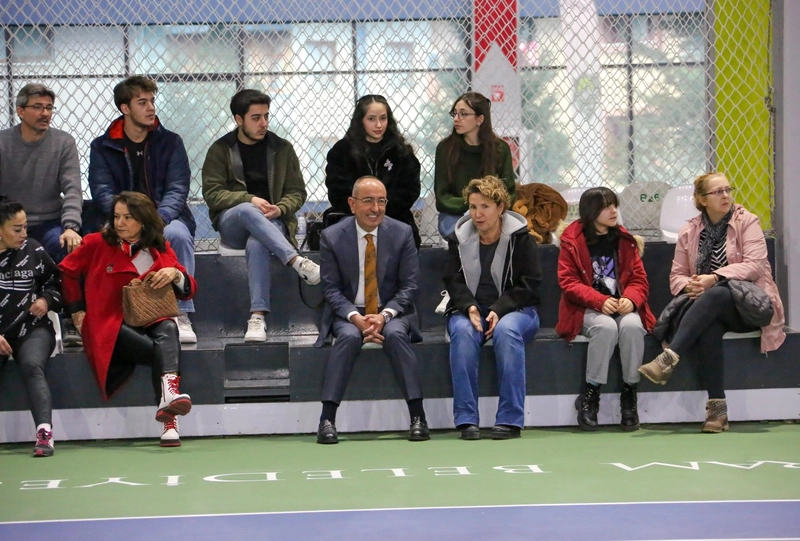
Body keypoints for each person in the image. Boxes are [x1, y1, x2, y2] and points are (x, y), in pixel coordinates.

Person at [638, 172, 785, 432]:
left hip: (749, 306)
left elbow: (754, 266)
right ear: (702, 199)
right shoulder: (689, 231)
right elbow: (676, 276)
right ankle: (718, 412)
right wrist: (691, 285)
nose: (726, 195)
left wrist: (713, 278)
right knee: (709, 326)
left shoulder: (747, 222)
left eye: (728, 190)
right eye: (718, 192)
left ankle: (669, 358)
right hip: (710, 309)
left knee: (717, 293)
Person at [59, 192, 197, 447]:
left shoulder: (159, 247)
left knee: (169, 327)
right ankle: (169, 419)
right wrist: (76, 310)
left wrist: (175, 275)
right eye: (116, 217)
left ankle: (169, 404)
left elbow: (188, 289)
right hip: (107, 323)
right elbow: (66, 273)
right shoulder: (96, 242)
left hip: (149, 317)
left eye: (127, 217)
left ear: (143, 221)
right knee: (163, 353)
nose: (119, 223)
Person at [314, 176, 428, 444]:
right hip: (349, 312)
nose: (376, 208)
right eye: (368, 201)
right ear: (352, 204)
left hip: (392, 311)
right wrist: (356, 318)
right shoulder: (331, 236)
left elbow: (410, 286)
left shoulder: (402, 233)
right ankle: (327, 420)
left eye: (381, 201)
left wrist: (383, 316)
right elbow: (330, 289)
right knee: (348, 337)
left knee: (396, 335)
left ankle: (418, 417)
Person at [202, 89, 320, 342]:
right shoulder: (221, 150)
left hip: (272, 222)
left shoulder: (282, 149)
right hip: (233, 223)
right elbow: (213, 194)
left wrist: (281, 208)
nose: (264, 123)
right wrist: (249, 199)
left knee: (258, 242)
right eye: (256, 118)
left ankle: (257, 317)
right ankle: (296, 261)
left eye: (266, 116)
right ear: (239, 119)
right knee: (247, 209)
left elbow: (297, 192)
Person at [88, 76, 197, 343]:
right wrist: (125, 219)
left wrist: (157, 219)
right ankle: (107, 314)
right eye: (142, 102)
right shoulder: (103, 146)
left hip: (164, 217)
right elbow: (102, 190)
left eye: (152, 101)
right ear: (125, 108)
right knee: (98, 240)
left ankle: (182, 313)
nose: (151, 108)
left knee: (178, 235)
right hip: (121, 218)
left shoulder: (170, 142)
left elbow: (178, 188)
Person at [441, 176, 541, 440]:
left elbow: (530, 285)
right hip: (471, 310)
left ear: (500, 208)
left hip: (517, 310)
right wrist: (470, 307)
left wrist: (500, 308)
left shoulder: (521, 238)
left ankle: (510, 419)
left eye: (485, 206)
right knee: (462, 332)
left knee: (506, 331)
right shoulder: (459, 238)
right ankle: (466, 419)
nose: (478, 214)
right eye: (473, 207)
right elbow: (453, 280)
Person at [556, 187, 655, 432]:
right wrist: (599, 301)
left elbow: (639, 280)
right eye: (606, 207)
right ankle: (590, 395)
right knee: (606, 327)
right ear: (591, 211)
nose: (613, 211)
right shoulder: (572, 241)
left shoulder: (624, 240)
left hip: (622, 306)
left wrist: (631, 299)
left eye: (614, 205)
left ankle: (630, 394)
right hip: (586, 308)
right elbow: (569, 283)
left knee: (632, 326)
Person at [0, 83, 83, 346]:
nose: (45, 113)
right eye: (37, 107)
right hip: (8, 223)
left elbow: (73, 188)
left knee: (68, 248)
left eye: (49, 107)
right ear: (20, 111)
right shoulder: (2, 143)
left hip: (49, 222)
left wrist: (71, 226)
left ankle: (71, 320)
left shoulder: (63, 142)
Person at [433, 92, 516, 314]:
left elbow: (509, 192)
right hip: (456, 214)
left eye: (463, 114)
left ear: (480, 119)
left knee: (509, 231)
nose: (456, 119)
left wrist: (486, 209)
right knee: (459, 230)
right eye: (454, 113)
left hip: (492, 214)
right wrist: (473, 207)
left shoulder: (499, 149)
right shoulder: (445, 149)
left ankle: (499, 290)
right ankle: (458, 291)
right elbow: (442, 197)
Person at [0, 197, 62, 457]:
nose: (24, 234)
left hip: (33, 329)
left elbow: (57, 283)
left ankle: (44, 433)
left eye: (25, 227)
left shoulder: (34, 250)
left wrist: (46, 300)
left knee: (32, 365)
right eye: (17, 229)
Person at [325, 95, 422, 247]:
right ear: (361, 120)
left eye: (383, 118)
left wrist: (380, 209)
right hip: (352, 218)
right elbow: (337, 192)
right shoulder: (342, 151)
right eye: (371, 119)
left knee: (403, 234)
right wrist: (365, 210)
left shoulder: (401, 152)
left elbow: (409, 191)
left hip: (394, 217)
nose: (378, 125)